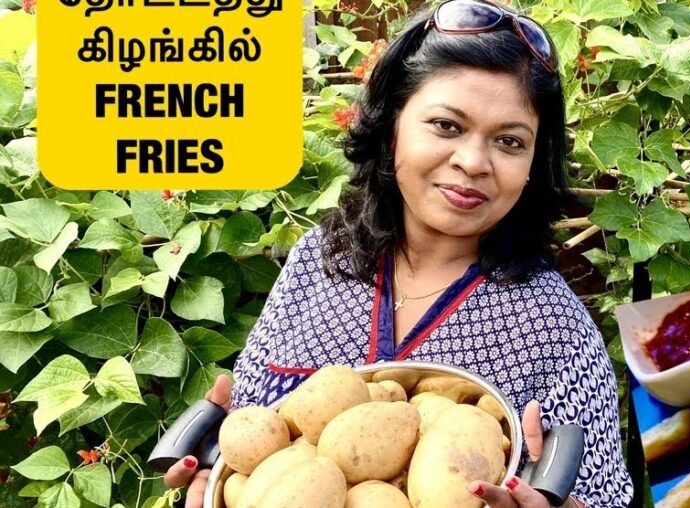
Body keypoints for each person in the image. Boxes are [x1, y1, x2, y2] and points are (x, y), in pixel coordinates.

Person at [162, 1, 635, 506]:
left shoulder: (555, 330)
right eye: (447, 126)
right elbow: (253, 429)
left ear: (533, 165)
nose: (473, 161)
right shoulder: (320, 260)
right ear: (392, 127)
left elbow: (605, 495)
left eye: (509, 141)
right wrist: (213, 469)